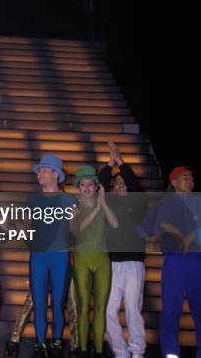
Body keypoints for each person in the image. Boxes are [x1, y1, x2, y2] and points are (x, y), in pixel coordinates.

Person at [138, 166, 200, 358]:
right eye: (185, 177)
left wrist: (189, 237)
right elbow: (153, 227)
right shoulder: (166, 203)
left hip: (197, 259)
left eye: (191, 177)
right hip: (174, 260)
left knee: (199, 307)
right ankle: (171, 352)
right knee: (171, 309)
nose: (190, 180)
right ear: (174, 182)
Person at [25, 154, 76, 358]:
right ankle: (39, 344)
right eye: (39, 170)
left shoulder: (68, 199)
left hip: (60, 256)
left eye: (44, 170)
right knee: (39, 301)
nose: (40, 174)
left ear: (56, 174)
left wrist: (74, 219)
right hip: (38, 255)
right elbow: (28, 228)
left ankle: (56, 343)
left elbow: (75, 231)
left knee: (57, 302)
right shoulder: (33, 199)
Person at [98, 142, 147, 358]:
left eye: (123, 183)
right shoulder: (107, 203)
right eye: (117, 183)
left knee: (133, 311)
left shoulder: (138, 204)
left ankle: (137, 351)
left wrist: (122, 164)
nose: (120, 186)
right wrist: (110, 164)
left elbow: (135, 186)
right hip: (111, 264)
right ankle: (120, 353)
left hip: (134, 263)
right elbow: (99, 185)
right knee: (108, 311)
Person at [70, 166, 118, 358]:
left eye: (91, 184)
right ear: (78, 188)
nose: (87, 188)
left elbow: (115, 224)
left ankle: (98, 351)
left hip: (102, 260)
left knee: (100, 308)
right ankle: (82, 350)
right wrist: (97, 208)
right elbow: (76, 230)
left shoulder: (103, 205)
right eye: (83, 184)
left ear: (97, 187)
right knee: (82, 307)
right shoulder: (73, 208)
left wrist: (103, 203)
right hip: (82, 259)